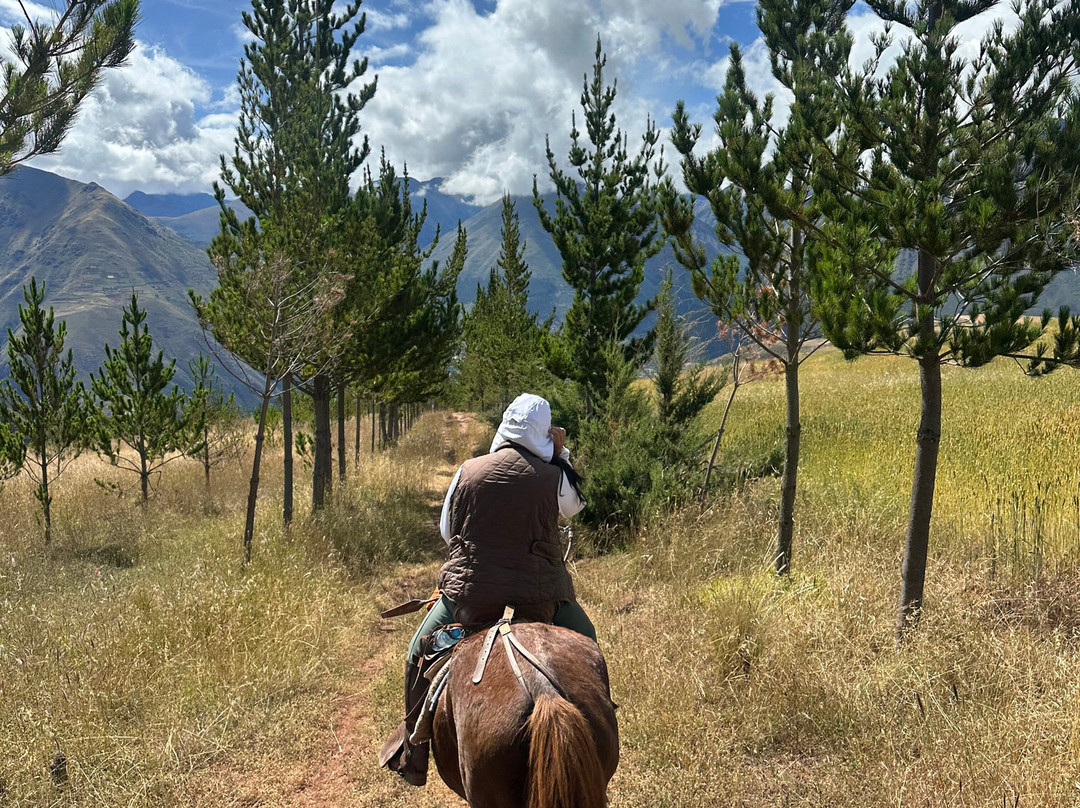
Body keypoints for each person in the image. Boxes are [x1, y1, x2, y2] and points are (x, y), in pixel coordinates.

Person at [379, 392, 595, 786]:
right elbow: (574, 507)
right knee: (589, 644)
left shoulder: (468, 470)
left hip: (472, 596)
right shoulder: (554, 476)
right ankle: (600, 721)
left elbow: (448, 532)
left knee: (417, 652)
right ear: (545, 433)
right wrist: (559, 455)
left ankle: (414, 753)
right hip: (541, 596)